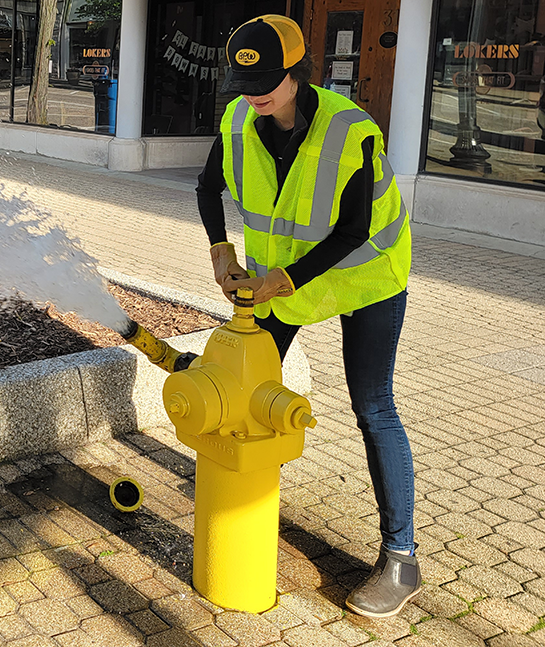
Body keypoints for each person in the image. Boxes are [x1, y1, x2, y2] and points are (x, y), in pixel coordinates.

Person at [195, 15, 418, 618]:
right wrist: (221, 250)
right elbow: (206, 185)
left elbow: (353, 228)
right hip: (283, 284)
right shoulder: (241, 117)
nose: (256, 94)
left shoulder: (352, 130)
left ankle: (401, 557)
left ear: (299, 72)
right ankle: (240, 499)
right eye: (245, 82)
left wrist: (283, 278)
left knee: (373, 407)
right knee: (241, 384)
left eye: (269, 79)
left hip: (364, 277)